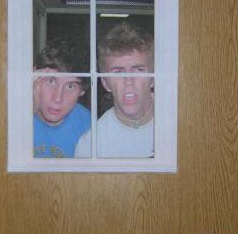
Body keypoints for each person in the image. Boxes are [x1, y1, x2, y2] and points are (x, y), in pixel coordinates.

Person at [75, 22, 154, 158]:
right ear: (105, 83)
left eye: (138, 70)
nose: (128, 81)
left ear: (153, 78)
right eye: (118, 72)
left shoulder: (179, 124)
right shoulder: (91, 146)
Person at [33, 36, 90, 158]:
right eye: (51, 81)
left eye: (70, 86)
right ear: (34, 77)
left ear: (82, 91)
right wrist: (24, 115)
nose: (57, 98)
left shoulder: (89, 127)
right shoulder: (12, 116)